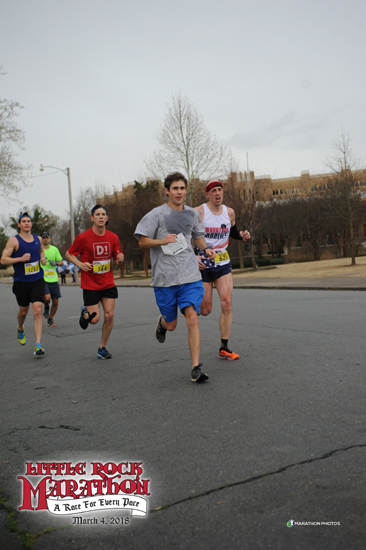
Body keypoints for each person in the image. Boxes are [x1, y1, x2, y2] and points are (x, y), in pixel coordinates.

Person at [134, 171, 216, 383]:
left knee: (193, 317)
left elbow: (197, 238)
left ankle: (195, 367)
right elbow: (142, 241)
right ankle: (162, 324)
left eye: (182, 188)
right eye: (175, 188)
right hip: (165, 278)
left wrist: (205, 249)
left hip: (189, 274)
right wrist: (161, 241)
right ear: (167, 191)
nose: (179, 192)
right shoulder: (156, 215)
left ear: (186, 190)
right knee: (172, 324)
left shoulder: (192, 214)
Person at [195, 179, 250, 361]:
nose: (217, 193)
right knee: (205, 310)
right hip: (203, 263)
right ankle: (185, 306)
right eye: (213, 191)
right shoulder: (199, 212)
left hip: (222, 263)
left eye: (220, 190)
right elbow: (186, 236)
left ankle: (224, 347)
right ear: (207, 194)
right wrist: (193, 257)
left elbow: (232, 231)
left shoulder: (230, 212)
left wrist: (241, 235)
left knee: (227, 302)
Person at [65, 204, 124, 359]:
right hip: (90, 284)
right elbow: (68, 254)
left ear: (107, 218)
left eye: (103, 214)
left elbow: (117, 260)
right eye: (97, 214)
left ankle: (102, 347)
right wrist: (80, 264)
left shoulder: (113, 237)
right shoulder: (83, 238)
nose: (101, 217)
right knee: (94, 319)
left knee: (109, 316)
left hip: (108, 282)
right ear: (92, 218)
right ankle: (84, 313)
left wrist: (119, 259)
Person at [0, 212, 47, 356]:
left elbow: (41, 252)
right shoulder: (14, 241)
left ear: (31, 224)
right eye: (24, 221)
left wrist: (42, 259)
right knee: (24, 311)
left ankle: (38, 344)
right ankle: (20, 327)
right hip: (21, 282)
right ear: (19, 225)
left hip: (37, 279)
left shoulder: (38, 239)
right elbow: (3, 259)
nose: (27, 223)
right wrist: (19, 259)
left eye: (29, 221)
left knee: (38, 310)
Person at [40, 231, 64, 327]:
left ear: (49, 239)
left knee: (55, 301)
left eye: (47, 237)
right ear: (41, 239)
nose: (45, 239)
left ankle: (50, 318)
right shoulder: (39, 250)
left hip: (53, 279)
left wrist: (56, 263)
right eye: (43, 237)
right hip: (43, 278)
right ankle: (46, 306)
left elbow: (61, 262)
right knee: (47, 298)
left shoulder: (54, 249)